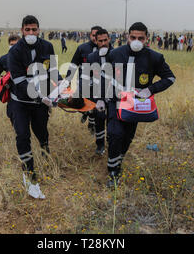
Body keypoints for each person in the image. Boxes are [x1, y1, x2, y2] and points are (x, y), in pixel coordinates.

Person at [105, 22, 175, 187]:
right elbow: (104, 75)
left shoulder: (154, 57)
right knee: (115, 134)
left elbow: (170, 78)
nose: (136, 41)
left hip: (135, 107)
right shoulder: (115, 53)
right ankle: (113, 172)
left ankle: (118, 160)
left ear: (146, 38)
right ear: (127, 37)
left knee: (127, 138)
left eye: (140, 38)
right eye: (133, 37)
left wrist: (150, 90)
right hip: (116, 102)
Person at [7, 15, 62, 183]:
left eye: (34, 29)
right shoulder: (14, 52)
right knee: (22, 135)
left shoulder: (48, 46)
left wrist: (60, 83)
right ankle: (29, 169)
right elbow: (19, 81)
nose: (31, 32)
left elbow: (52, 70)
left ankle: (45, 149)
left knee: (41, 130)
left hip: (40, 104)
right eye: (27, 30)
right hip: (20, 102)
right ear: (22, 30)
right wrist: (40, 97)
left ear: (39, 30)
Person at [66, 26, 102, 135]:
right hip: (84, 82)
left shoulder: (108, 50)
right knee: (87, 103)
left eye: (98, 35)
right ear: (90, 35)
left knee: (96, 105)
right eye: (93, 35)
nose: (95, 38)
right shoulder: (82, 48)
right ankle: (88, 115)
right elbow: (73, 65)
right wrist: (67, 80)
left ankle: (92, 123)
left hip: (99, 83)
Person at [86, 28, 114, 156]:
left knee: (112, 120)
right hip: (97, 94)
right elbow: (88, 76)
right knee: (99, 119)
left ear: (109, 39)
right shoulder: (91, 57)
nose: (103, 43)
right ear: (95, 41)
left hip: (113, 94)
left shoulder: (116, 54)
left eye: (105, 40)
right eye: (100, 41)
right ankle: (100, 144)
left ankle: (111, 142)